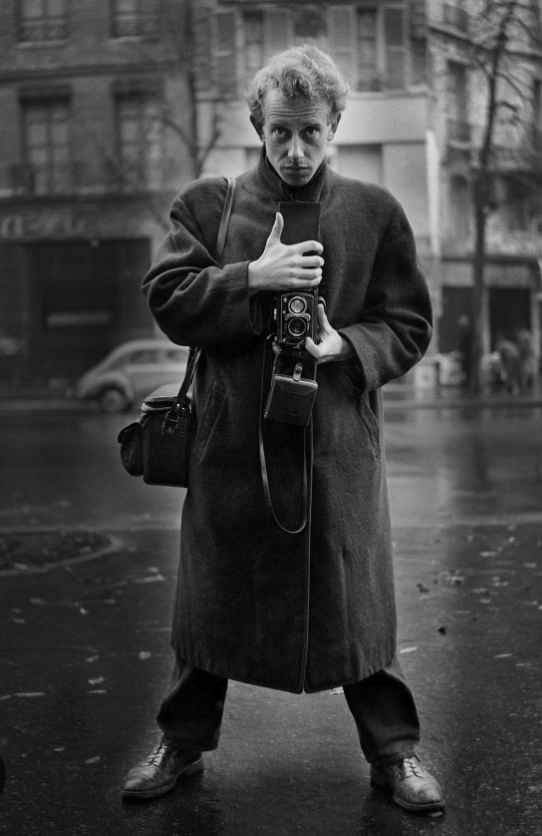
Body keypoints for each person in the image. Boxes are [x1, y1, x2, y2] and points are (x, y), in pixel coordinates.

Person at [122, 45, 445, 815]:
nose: (294, 152)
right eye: (278, 134)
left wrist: (347, 345)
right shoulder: (209, 203)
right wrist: (251, 279)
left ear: (335, 126)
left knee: (353, 602)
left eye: (310, 133)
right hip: (233, 452)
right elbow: (167, 297)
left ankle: (394, 753)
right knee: (213, 605)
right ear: (256, 128)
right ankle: (181, 743)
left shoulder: (375, 212)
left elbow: (410, 321)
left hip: (336, 451)